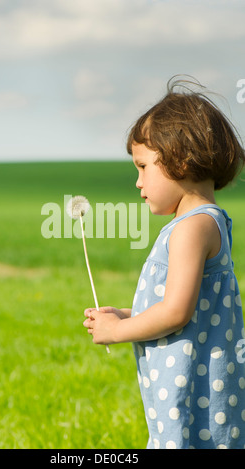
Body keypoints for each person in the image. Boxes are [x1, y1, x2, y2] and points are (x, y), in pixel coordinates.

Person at [83, 77, 245, 449]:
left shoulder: (193, 228)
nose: (138, 182)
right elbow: (189, 305)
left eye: (143, 167)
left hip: (192, 384)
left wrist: (116, 332)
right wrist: (128, 314)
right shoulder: (201, 222)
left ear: (180, 160)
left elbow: (175, 313)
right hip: (191, 377)